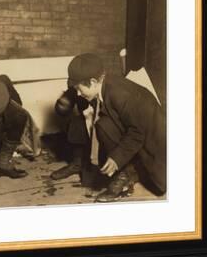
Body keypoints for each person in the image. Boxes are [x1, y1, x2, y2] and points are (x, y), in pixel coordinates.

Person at [63, 53, 166, 202]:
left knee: (104, 125)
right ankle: (128, 171)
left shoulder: (120, 94)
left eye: (79, 89)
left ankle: (128, 173)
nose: (78, 93)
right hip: (139, 131)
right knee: (102, 123)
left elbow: (137, 132)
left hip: (157, 142)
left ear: (92, 82)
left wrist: (117, 158)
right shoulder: (105, 85)